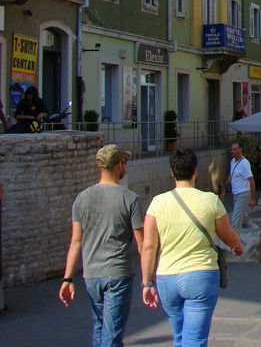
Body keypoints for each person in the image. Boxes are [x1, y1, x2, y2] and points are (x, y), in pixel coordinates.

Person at [141, 148, 243, 347]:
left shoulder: (157, 203)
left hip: (167, 276)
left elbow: (148, 246)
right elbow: (226, 233)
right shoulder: (210, 200)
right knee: (195, 340)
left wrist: (147, 282)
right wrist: (236, 245)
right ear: (196, 170)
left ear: (171, 172)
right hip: (200, 274)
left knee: (179, 337)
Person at [59, 144, 144, 347]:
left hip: (91, 275)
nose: (126, 167)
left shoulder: (82, 199)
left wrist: (68, 278)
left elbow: (76, 241)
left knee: (99, 328)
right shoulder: (130, 199)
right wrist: (149, 278)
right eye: (124, 162)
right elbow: (143, 245)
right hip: (117, 273)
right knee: (112, 335)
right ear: (117, 166)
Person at [220, 142, 255, 229]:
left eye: (234, 149)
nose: (232, 151)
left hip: (243, 193)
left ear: (240, 150)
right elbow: (230, 175)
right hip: (236, 194)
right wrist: (224, 190)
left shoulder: (244, 163)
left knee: (235, 221)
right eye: (231, 149)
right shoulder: (233, 161)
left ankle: (235, 240)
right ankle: (258, 233)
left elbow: (251, 180)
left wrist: (253, 198)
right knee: (244, 218)